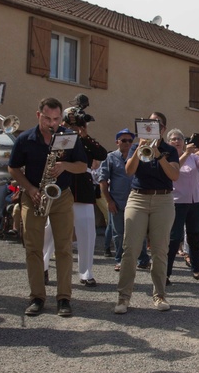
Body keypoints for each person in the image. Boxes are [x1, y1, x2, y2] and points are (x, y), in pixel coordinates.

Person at [8, 98, 88, 318]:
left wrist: (64, 166)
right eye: (47, 118)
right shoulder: (25, 139)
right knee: (33, 248)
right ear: (38, 115)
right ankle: (37, 297)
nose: (52, 123)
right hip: (33, 195)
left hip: (61, 196)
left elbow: (82, 166)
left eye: (56, 119)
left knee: (63, 248)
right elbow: (13, 168)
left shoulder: (69, 137)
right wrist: (30, 189)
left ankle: (64, 298)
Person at [115, 111, 179, 314]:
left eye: (156, 124)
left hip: (163, 199)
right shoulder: (136, 146)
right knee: (130, 249)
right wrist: (139, 149)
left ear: (163, 129)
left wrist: (158, 155)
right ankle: (123, 298)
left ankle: (159, 295)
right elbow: (128, 171)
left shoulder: (170, 149)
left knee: (160, 250)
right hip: (138, 198)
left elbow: (174, 175)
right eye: (149, 123)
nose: (152, 126)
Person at [63, 102, 108, 288]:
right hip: (62, 189)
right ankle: (43, 266)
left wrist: (85, 136)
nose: (81, 127)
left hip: (83, 191)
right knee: (49, 232)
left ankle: (86, 272)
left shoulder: (86, 141)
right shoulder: (59, 137)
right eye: (76, 124)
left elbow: (102, 153)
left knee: (87, 234)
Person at [100, 129, 150, 271]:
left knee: (140, 232)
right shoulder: (110, 158)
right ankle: (120, 260)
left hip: (137, 200)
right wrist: (109, 201)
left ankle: (143, 259)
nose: (127, 143)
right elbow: (103, 181)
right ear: (117, 142)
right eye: (124, 140)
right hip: (118, 202)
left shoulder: (139, 155)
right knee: (119, 233)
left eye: (130, 140)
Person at [165, 128, 199, 282]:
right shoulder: (169, 157)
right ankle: (166, 273)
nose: (177, 141)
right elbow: (174, 168)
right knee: (174, 238)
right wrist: (186, 153)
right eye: (174, 139)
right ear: (169, 142)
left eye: (180, 139)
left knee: (195, 236)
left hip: (195, 201)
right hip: (177, 202)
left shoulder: (192, 157)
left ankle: (196, 270)